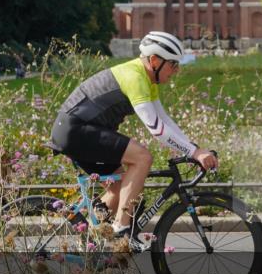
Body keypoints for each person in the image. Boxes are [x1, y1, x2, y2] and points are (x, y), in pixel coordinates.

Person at [49, 31, 218, 247]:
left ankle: (92, 241)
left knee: (120, 191)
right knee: (142, 158)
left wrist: (195, 148)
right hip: (76, 130)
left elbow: (164, 120)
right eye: (173, 64)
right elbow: (156, 128)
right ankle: (121, 228)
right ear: (154, 60)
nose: (176, 70)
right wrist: (194, 153)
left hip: (78, 130)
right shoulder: (135, 77)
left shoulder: (148, 80)